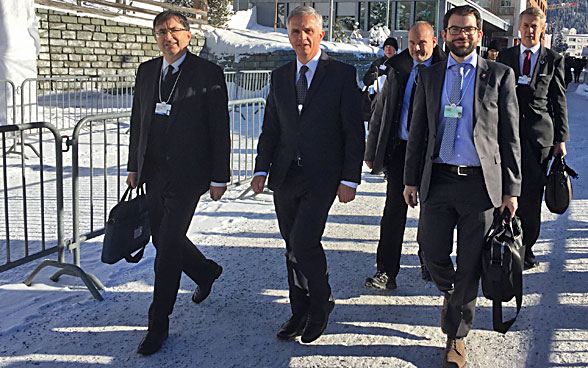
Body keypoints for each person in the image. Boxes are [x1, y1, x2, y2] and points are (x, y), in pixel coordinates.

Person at [403, 5, 521, 367]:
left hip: (480, 186)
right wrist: (410, 179)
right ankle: (451, 292)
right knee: (430, 249)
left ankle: (456, 337)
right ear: (446, 33)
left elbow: (509, 136)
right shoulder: (432, 75)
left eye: (468, 29)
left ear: (479, 34)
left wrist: (511, 190)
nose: (461, 35)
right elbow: (419, 131)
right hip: (438, 180)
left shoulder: (500, 76)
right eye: (455, 29)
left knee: (470, 263)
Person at [251, 6, 365, 344]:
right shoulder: (280, 76)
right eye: (295, 32)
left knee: (304, 241)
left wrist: (350, 179)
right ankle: (298, 310)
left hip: (322, 177)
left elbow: (353, 132)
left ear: (320, 34)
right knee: (291, 246)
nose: (302, 38)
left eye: (308, 31)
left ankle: (321, 303)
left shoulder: (341, 75)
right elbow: (271, 127)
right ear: (288, 36)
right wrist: (260, 167)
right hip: (286, 174)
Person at [126, 10, 230, 355]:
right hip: (153, 172)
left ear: (188, 35)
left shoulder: (207, 73)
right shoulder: (146, 72)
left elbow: (219, 129)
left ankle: (158, 323)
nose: (167, 36)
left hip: (189, 174)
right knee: (162, 238)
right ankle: (205, 271)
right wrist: (133, 167)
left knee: (167, 247)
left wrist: (220, 176)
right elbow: (137, 121)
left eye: (173, 30)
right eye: (160, 31)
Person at [363, 21, 446, 290]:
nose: (416, 48)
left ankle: (428, 261)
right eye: (412, 43)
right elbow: (381, 112)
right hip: (400, 149)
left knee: (432, 212)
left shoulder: (447, 69)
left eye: (422, 43)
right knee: (393, 212)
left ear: (434, 42)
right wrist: (372, 149)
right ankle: (386, 271)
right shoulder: (398, 68)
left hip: (433, 153)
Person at [497, 6, 569, 269]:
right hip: (507, 135)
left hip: (539, 139)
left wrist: (561, 140)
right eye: (525, 25)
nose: (529, 31)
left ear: (542, 29)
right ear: (519, 27)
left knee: (531, 195)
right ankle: (502, 242)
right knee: (504, 190)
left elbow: (559, 101)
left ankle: (526, 248)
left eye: (534, 27)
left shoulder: (553, 59)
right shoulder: (505, 57)